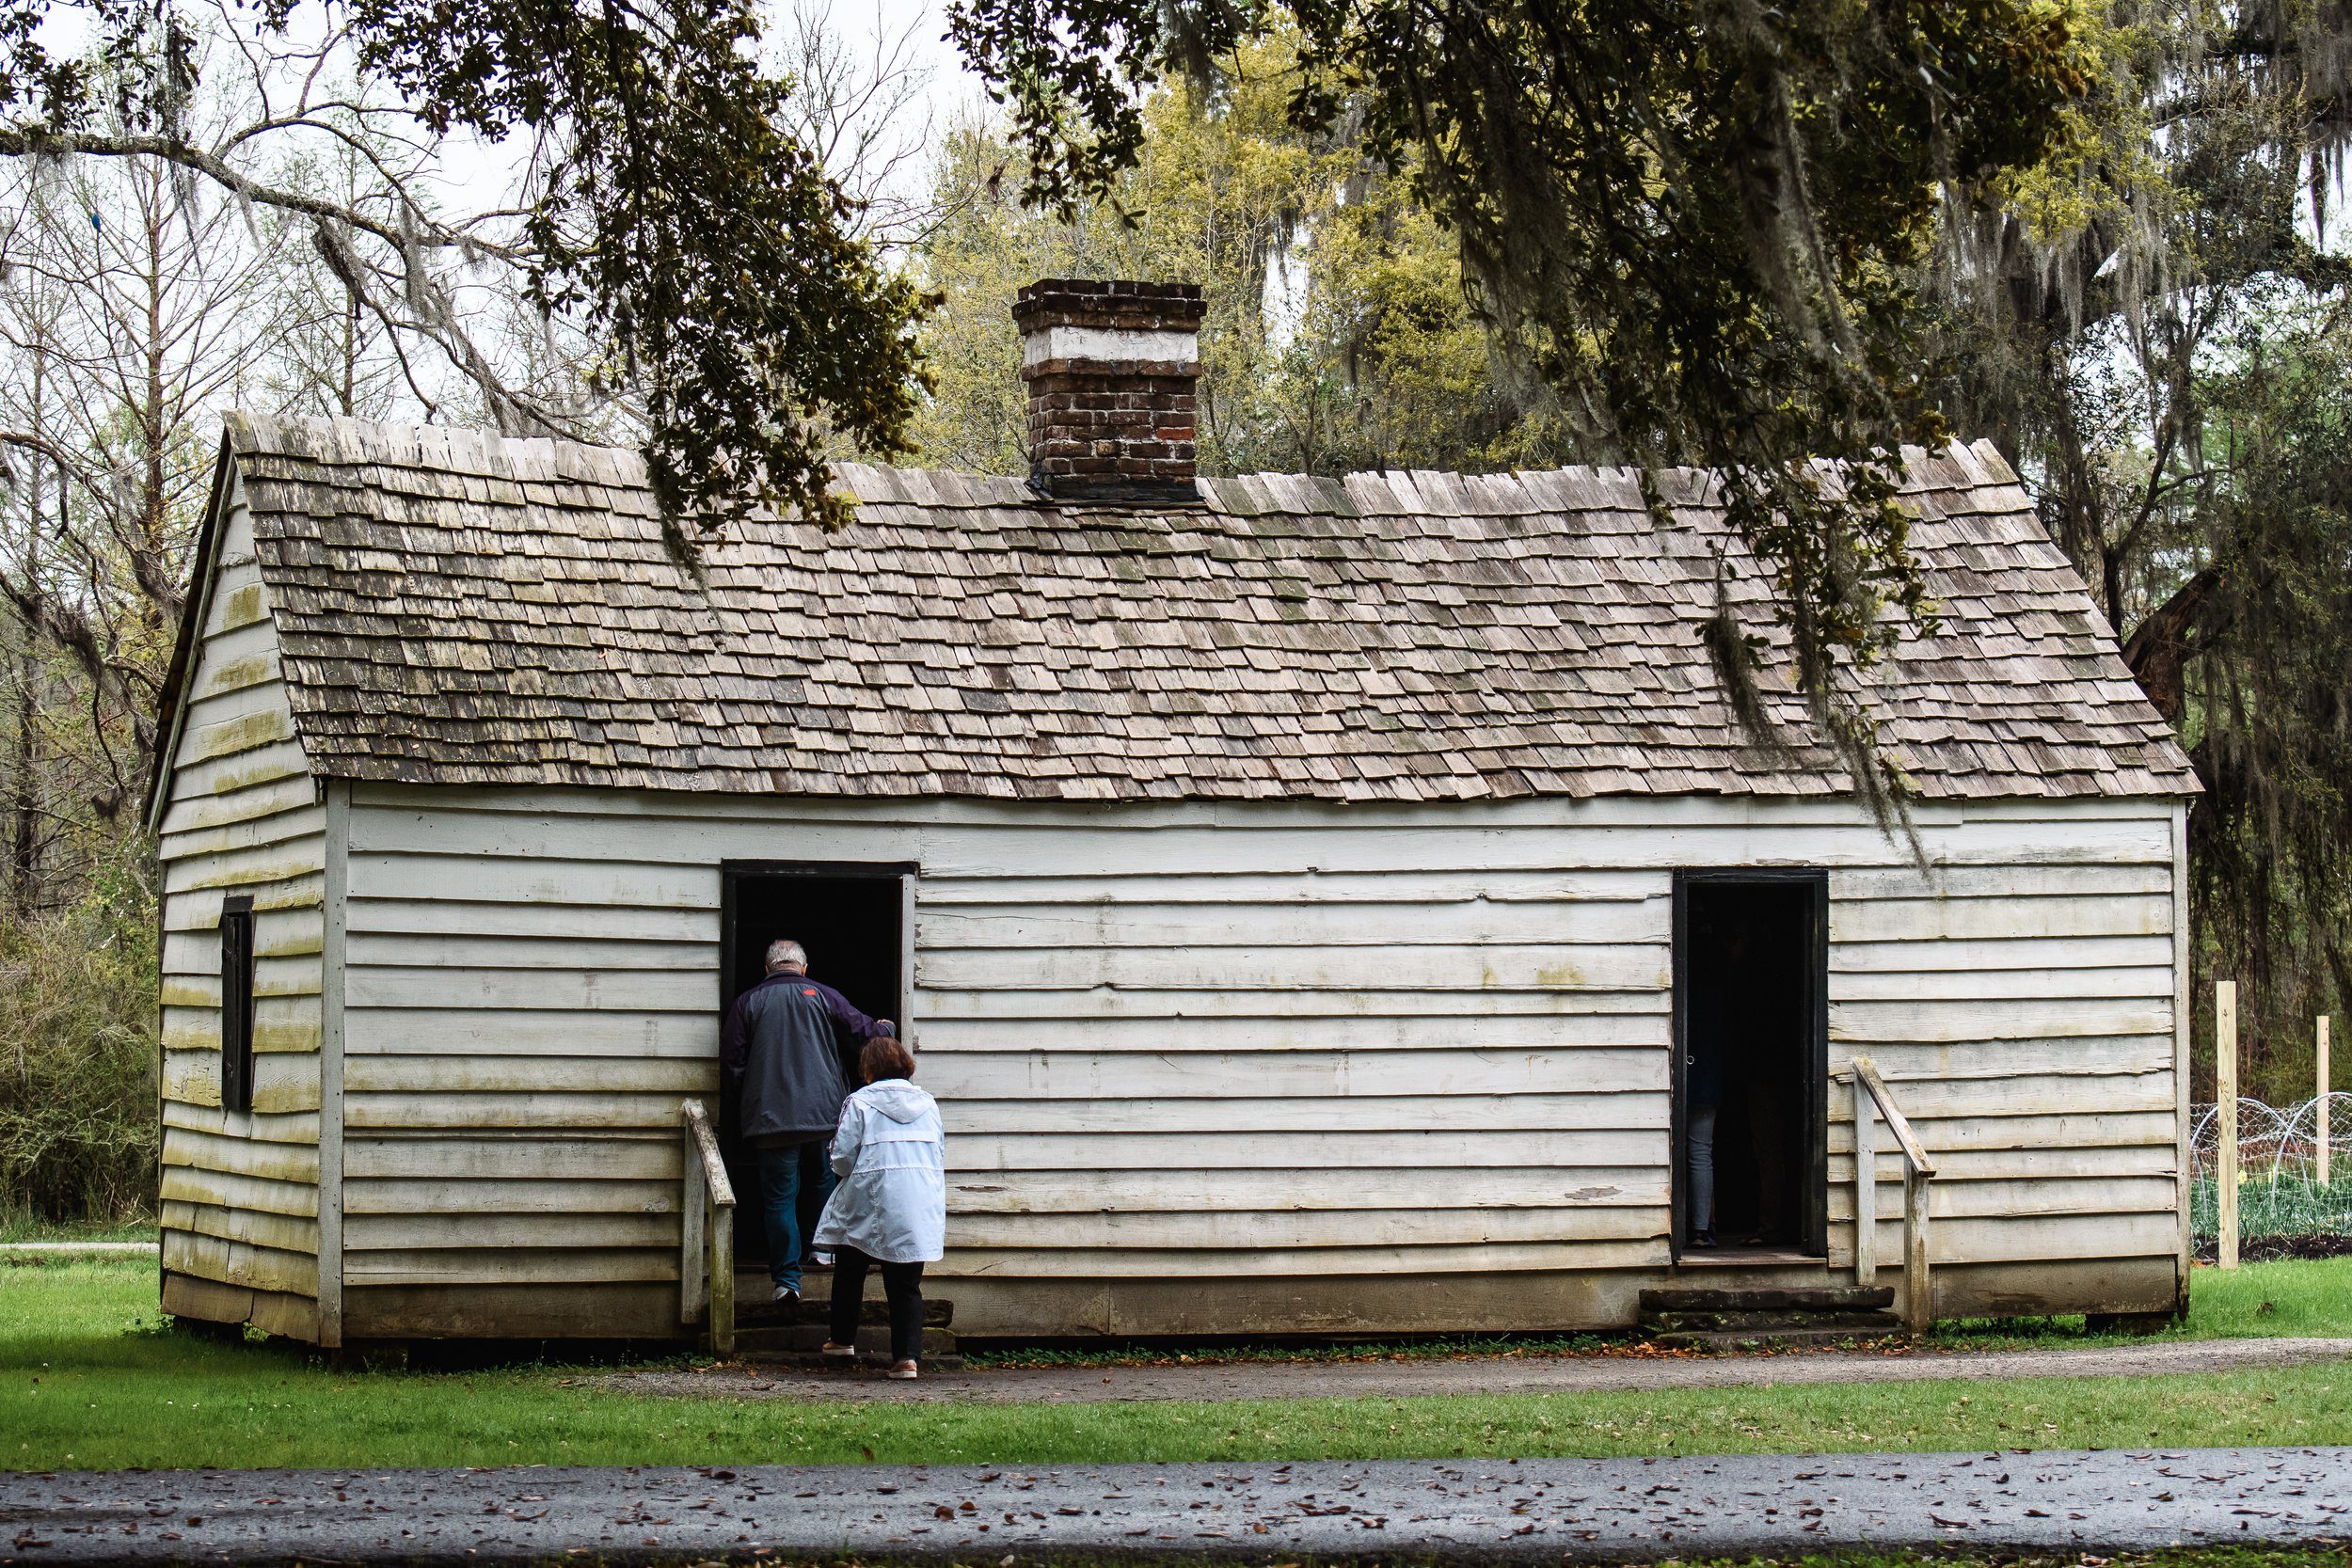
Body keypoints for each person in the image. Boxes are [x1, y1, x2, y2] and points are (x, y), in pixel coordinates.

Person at [720, 939, 896, 1305]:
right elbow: (865, 1033)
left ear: (767, 969)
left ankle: (786, 1281)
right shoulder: (823, 995)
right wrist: (886, 1029)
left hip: (769, 1120)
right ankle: (822, 1252)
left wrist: (744, 1105)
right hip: (823, 1117)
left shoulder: (747, 1002)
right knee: (823, 1183)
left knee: (779, 1197)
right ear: (803, 968)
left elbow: (732, 1063)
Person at [812, 1035, 945, 1380]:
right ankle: (906, 1359)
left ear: (867, 1068)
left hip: (870, 1196)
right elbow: (938, 1152)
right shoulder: (928, 1104)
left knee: (850, 1267)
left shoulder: (859, 1102)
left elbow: (841, 1159)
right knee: (905, 1282)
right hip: (917, 1199)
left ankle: (841, 1340)